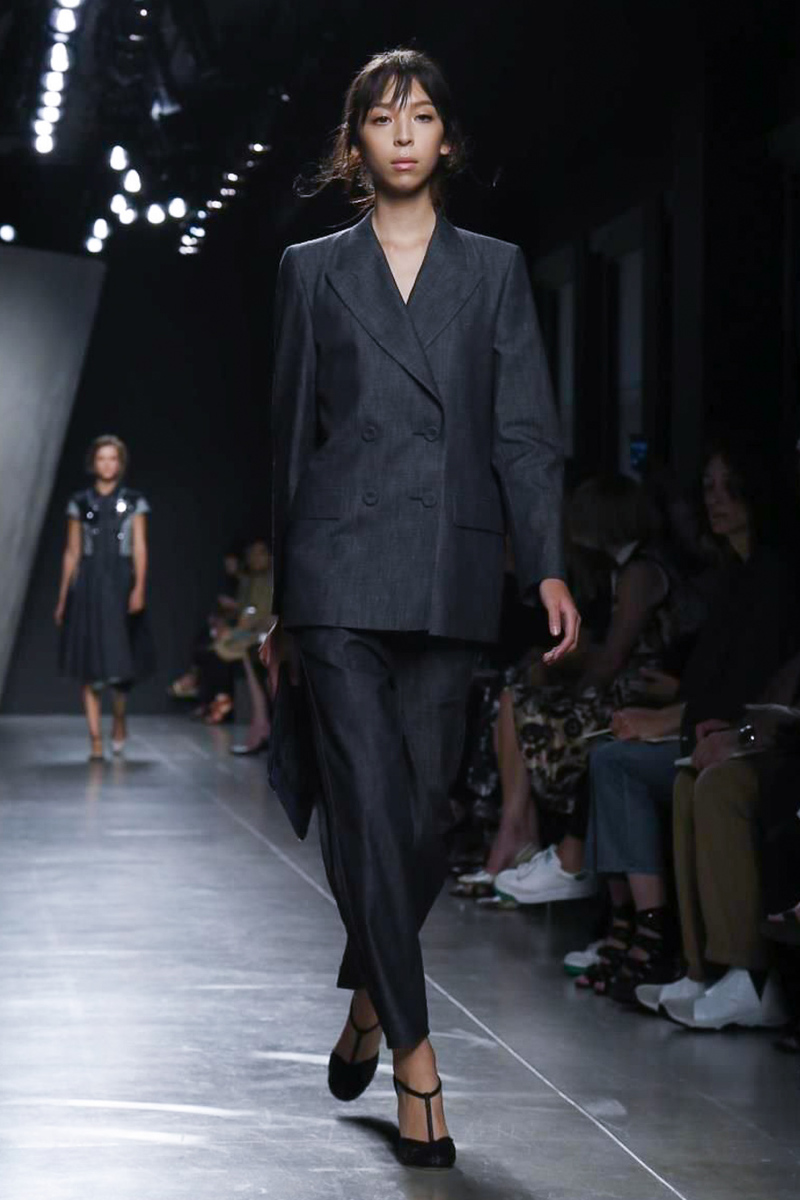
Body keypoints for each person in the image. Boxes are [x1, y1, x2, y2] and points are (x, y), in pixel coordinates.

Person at [268, 48, 579, 1169]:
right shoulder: (312, 271)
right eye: (382, 118)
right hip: (338, 575)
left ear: (446, 139)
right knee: (364, 810)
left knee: (423, 826)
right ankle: (417, 1065)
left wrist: (546, 565)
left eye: (422, 116)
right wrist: (284, 598)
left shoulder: (493, 271)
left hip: (449, 571)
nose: (403, 135)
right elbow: (289, 437)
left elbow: (524, 431)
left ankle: (368, 995)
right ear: (354, 143)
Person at [55, 435, 154, 760]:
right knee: (89, 665)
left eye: (113, 458)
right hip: (88, 584)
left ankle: (120, 720)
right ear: (93, 463)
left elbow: (140, 547)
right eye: (102, 458)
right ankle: (95, 740)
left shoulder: (134, 501)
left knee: (119, 664)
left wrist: (139, 588)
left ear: (120, 463)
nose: (107, 464)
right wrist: (63, 598)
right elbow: (72, 552)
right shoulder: (80, 503)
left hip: (121, 582)